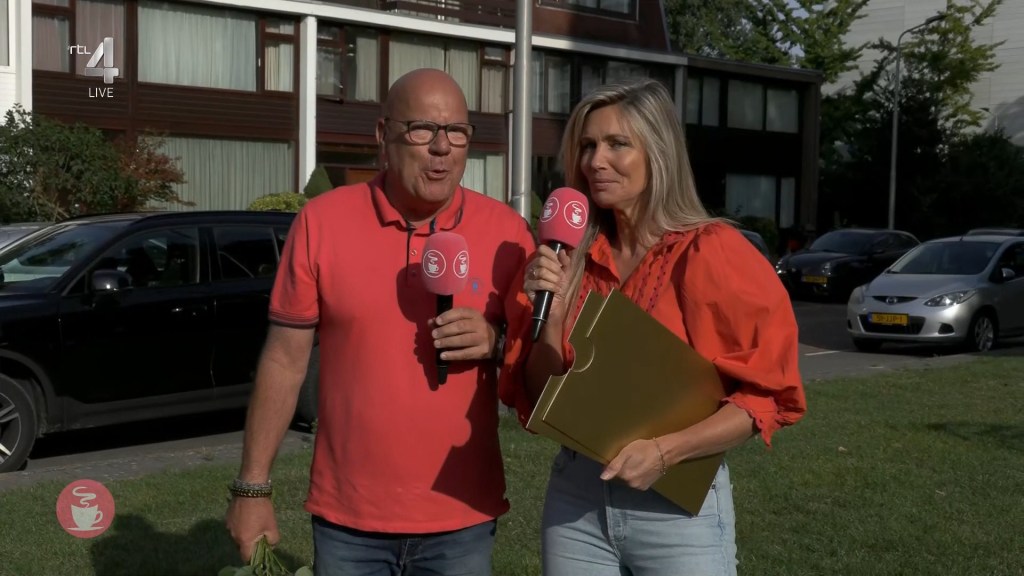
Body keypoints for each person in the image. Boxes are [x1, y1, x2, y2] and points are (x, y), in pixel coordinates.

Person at [226, 68, 536, 576]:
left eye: (457, 132)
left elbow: (537, 361)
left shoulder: (507, 234)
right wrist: (251, 488)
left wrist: (496, 341)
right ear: (382, 135)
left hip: (462, 516)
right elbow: (284, 361)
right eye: (422, 129)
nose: (442, 148)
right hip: (349, 521)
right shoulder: (321, 223)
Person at [498, 78, 807, 575]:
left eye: (617, 144)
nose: (596, 161)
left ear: (658, 153)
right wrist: (550, 324)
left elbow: (765, 398)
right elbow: (539, 399)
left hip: (676, 506)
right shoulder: (567, 258)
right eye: (588, 145)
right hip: (577, 500)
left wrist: (665, 453)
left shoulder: (713, 253)